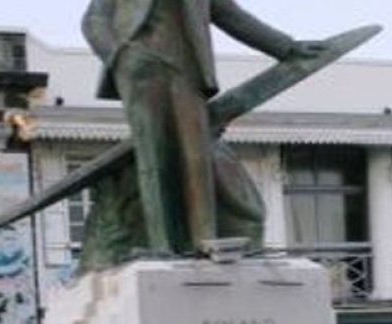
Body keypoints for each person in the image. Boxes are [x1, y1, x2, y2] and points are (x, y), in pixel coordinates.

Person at [82, 0, 324, 255]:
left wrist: (288, 47)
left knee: (197, 157)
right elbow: (94, 20)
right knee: (153, 156)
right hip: (139, 66)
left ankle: (204, 239)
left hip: (188, 69)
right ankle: (160, 244)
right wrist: (119, 55)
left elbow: (232, 16)